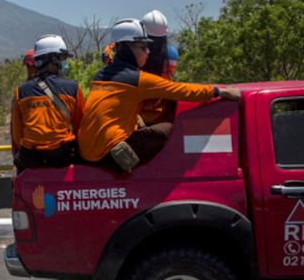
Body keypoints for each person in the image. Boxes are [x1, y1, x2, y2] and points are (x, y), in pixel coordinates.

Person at [78, 19, 241, 173]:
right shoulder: (137, 79)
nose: (148, 51)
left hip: (87, 151)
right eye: (143, 47)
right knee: (169, 128)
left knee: (139, 122)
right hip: (107, 153)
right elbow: (181, 90)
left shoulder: (100, 75)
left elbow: (111, 109)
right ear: (128, 48)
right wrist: (221, 91)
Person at [11, 34, 85, 171]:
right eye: (63, 59)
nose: (65, 63)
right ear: (53, 59)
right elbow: (80, 128)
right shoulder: (73, 88)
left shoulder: (20, 92)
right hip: (62, 157)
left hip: (30, 159)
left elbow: (17, 134)